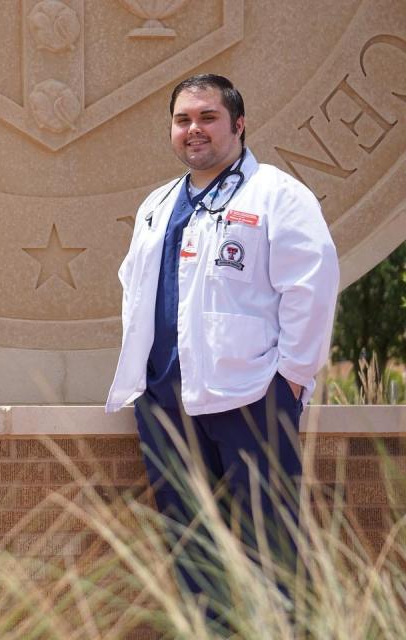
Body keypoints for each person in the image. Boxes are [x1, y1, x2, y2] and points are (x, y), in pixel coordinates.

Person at [105, 74, 339, 614]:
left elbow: (312, 284)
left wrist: (292, 380)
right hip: (165, 403)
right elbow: (133, 288)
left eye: (207, 118)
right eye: (183, 119)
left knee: (272, 544)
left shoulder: (277, 194)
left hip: (252, 397)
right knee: (190, 547)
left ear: (238, 124)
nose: (194, 130)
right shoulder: (158, 204)